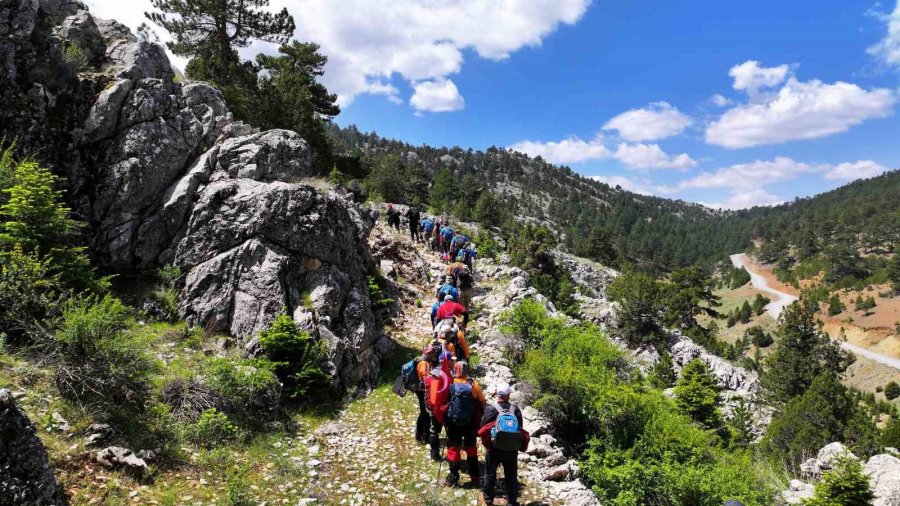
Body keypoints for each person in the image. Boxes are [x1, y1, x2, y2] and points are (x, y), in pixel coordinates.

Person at [480, 382, 524, 506]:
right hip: (511, 450)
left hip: (494, 449)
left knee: (490, 473)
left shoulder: (491, 409)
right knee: (511, 476)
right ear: (508, 394)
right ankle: (512, 502)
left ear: (497, 393)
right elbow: (520, 429)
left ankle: (488, 500)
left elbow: (482, 427)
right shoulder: (516, 410)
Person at [444, 360, 485, 487]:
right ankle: (474, 475)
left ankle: (453, 478)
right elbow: (482, 401)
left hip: (453, 423)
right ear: (467, 370)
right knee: (471, 447)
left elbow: (445, 402)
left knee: (453, 448)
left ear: (455, 370)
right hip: (469, 422)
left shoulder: (451, 383)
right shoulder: (473, 384)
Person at [415, 342, 440, 443]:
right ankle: (422, 435)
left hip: (422, 390)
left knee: (425, 413)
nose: (433, 354)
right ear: (427, 354)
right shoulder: (424, 364)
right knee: (425, 413)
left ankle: (423, 435)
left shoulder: (424, 361)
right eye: (431, 353)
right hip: (422, 391)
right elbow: (426, 380)